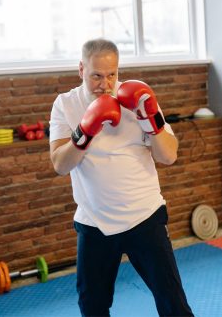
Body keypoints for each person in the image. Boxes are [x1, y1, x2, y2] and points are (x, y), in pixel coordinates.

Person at [49, 38, 194, 317]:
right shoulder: (65, 104)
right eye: (96, 76)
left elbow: (169, 155)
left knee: (173, 303)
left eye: (111, 75)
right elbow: (60, 164)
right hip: (94, 222)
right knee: (92, 307)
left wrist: (150, 121)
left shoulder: (137, 97)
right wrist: (85, 131)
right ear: (81, 69)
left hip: (144, 216)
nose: (105, 84)